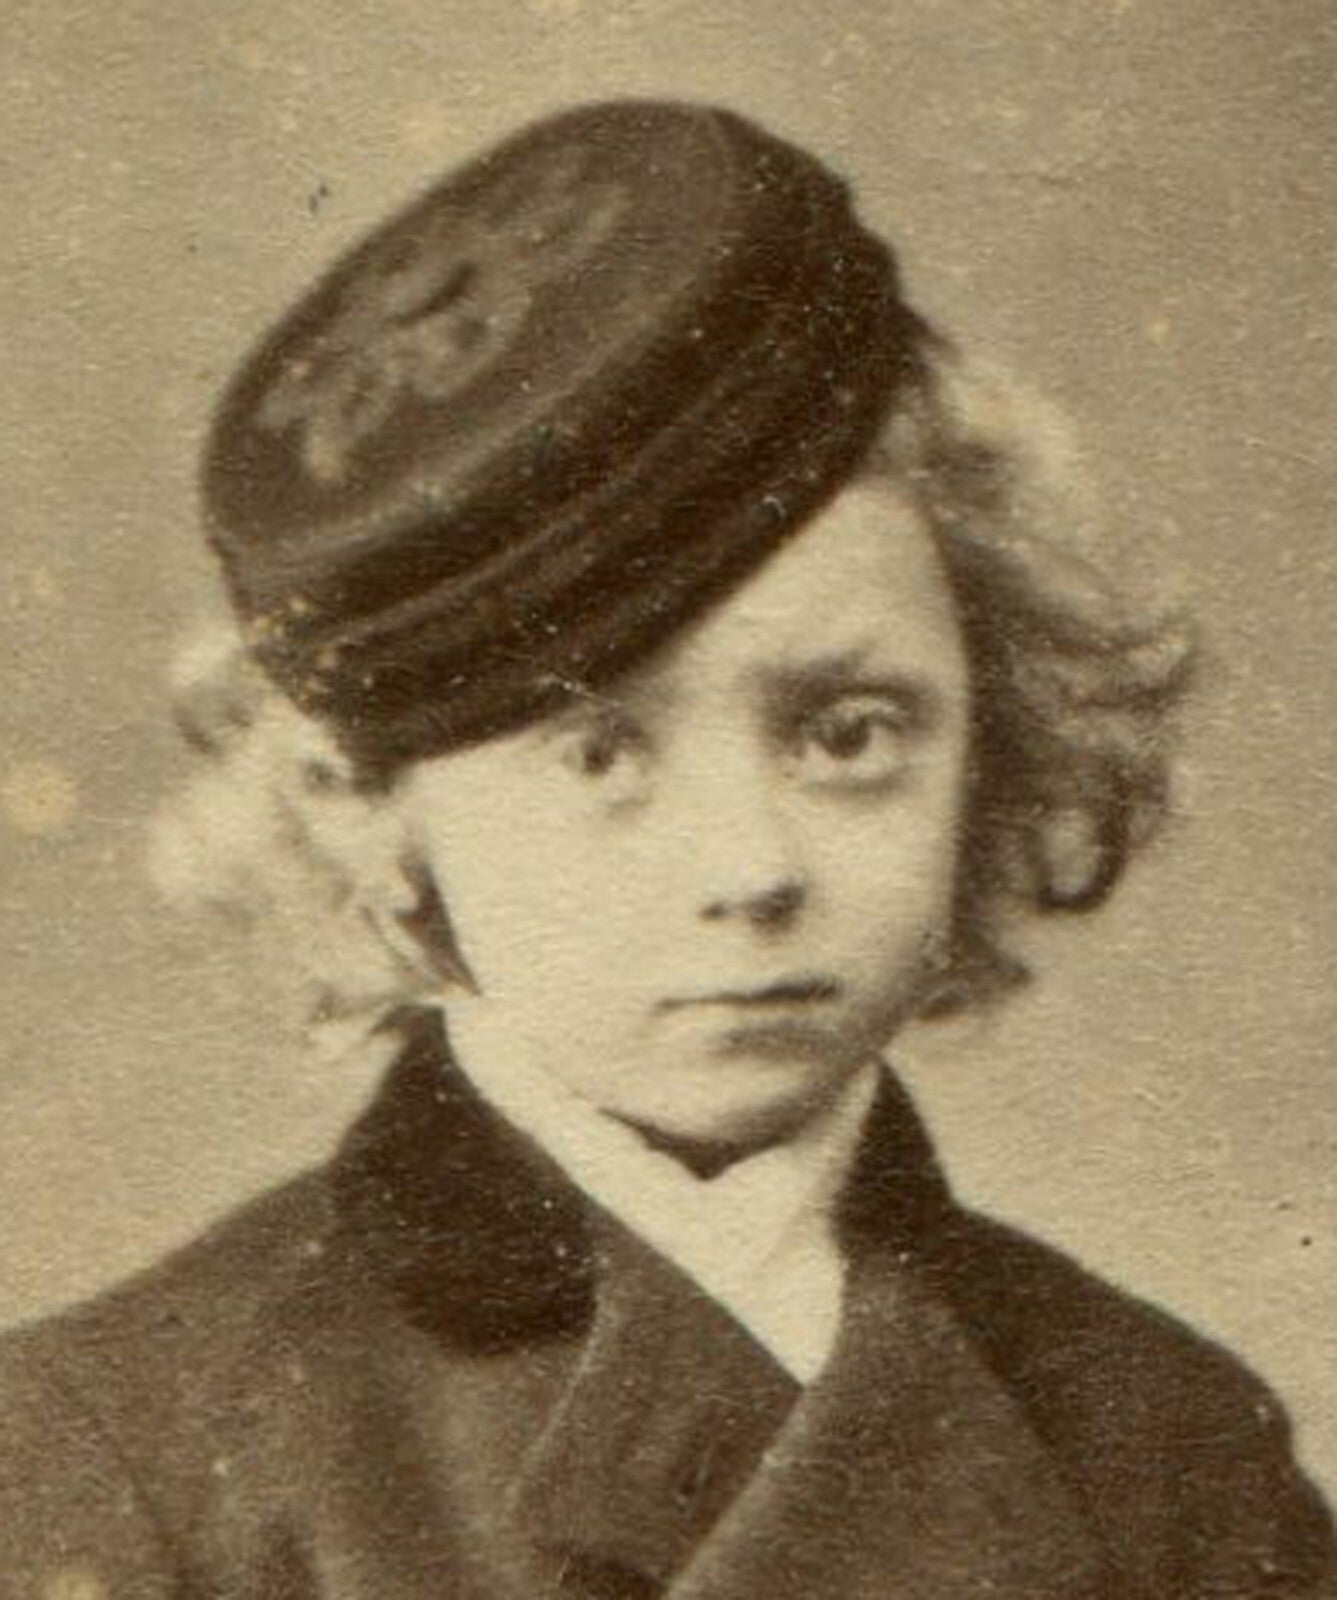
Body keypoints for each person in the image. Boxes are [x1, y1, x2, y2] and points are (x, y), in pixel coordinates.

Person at [0, 99, 1331, 1600]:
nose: (749, 867)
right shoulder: (115, 1459)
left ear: (993, 735)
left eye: (847, 733)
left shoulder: (1164, 1447)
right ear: (361, 805)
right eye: (598, 751)